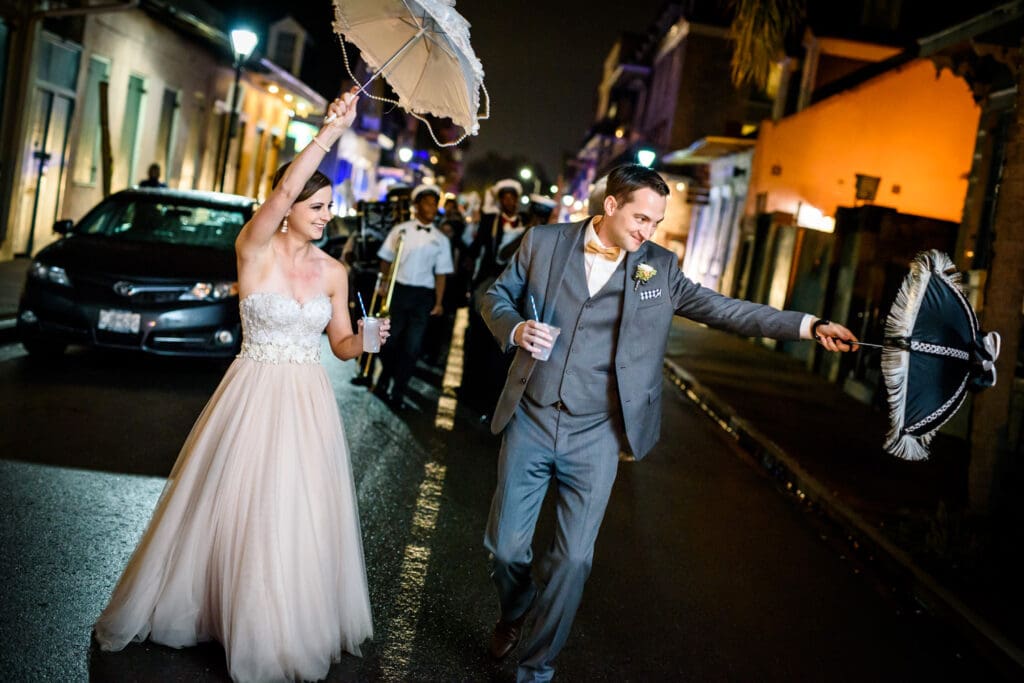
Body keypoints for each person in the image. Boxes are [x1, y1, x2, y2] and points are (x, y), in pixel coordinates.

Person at [477, 164, 859, 682]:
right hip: (533, 416)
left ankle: (536, 668)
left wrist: (808, 325)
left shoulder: (658, 267)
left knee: (573, 562)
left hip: (598, 432)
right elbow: (494, 295)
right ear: (610, 205)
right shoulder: (543, 242)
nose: (646, 231)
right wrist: (516, 327)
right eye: (640, 218)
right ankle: (516, 608)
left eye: (655, 222)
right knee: (504, 546)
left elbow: (725, 310)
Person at [94, 89, 387, 682]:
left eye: (331, 206)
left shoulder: (335, 271)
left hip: (308, 400)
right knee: (235, 500)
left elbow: (340, 346)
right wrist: (331, 131)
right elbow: (280, 189)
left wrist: (370, 339)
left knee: (293, 508)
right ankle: (220, 609)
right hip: (253, 391)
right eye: (318, 205)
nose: (327, 214)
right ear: (288, 207)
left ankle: (279, 619)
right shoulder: (253, 251)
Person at [373, 184, 454, 410]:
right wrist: (384, 284)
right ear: (416, 205)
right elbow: (386, 258)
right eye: (427, 202)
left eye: (433, 203)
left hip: (422, 296)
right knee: (388, 342)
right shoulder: (401, 230)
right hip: (398, 291)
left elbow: (441, 274)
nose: (431, 207)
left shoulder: (441, 239)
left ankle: (399, 390)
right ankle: (384, 377)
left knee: (412, 346)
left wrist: (438, 302)